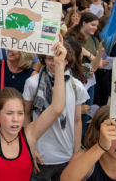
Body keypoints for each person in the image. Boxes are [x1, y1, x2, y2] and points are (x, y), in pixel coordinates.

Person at [0, 36, 67, 181]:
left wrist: (59, 66)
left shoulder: (29, 136)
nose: (16, 119)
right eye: (9, 113)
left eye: (20, 113)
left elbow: (57, 108)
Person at [23, 41, 89, 180]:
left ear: (67, 60)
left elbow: (77, 121)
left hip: (66, 155)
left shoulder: (76, 86)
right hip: (41, 156)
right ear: (44, 59)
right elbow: (26, 115)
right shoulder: (32, 83)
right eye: (49, 58)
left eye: (59, 57)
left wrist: (76, 153)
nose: (53, 63)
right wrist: (30, 148)